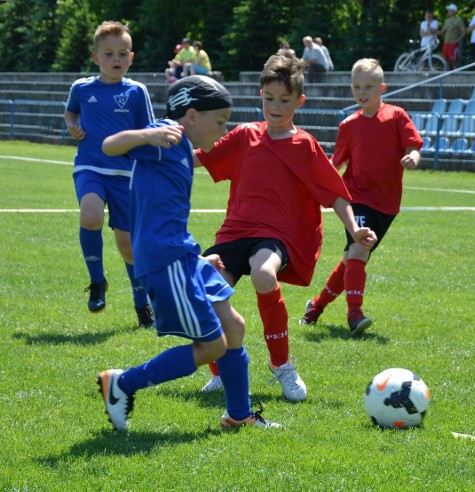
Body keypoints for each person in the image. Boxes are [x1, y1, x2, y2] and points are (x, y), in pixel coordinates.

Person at [97, 75, 280, 430]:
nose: (223, 131)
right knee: (212, 346)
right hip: (166, 262)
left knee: (235, 326)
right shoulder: (167, 134)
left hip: (183, 257)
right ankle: (122, 384)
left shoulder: (180, 148)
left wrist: (198, 261)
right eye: (221, 122)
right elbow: (109, 145)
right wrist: (146, 135)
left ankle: (238, 415)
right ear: (192, 116)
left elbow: (163, 213)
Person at [193, 54, 377, 397]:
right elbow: (198, 160)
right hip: (234, 232)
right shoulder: (245, 135)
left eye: (284, 100)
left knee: (263, 274)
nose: (275, 107)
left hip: (275, 236)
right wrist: (155, 155)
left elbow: (336, 194)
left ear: (299, 101)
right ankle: (219, 371)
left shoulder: (304, 145)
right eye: (269, 98)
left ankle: (282, 364)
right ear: (260, 95)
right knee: (205, 286)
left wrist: (355, 230)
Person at [300, 58, 422, 335]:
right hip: (355, 197)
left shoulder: (397, 116)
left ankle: (316, 306)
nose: (362, 92)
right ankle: (354, 313)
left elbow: (413, 145)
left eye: (368, 86)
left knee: (353, 259)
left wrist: (412, 157)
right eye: (356, 86)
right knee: (359, 248)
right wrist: (315, 182)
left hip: (387, 204)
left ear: (382, 88)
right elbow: (337, 163)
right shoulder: (349, 125)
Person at [63, 20, 156, 328]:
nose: (116, 59)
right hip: (90, 166)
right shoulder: (82, 87)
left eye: (122, 53)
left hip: (127, 175)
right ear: (95, 57)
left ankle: (141, 302)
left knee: (128, 245)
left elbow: (148, 132)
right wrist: (72, 125)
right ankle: (97, 282)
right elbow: (71, 110)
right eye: (109, 54)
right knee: (90, 215)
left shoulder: (136, 92)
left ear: (131, 57)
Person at [438, 4, 465, 70]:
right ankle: (448, 77)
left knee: (453, 61)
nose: (448, 11)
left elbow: (464, 32)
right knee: (446, 61)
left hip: (453, 44)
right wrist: (433, 32)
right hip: (446, 43)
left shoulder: (458, 20)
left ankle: (456, 76)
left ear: (454, 11)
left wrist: (457, 40)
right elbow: (442, 31)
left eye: (450, 10)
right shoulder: (447, 21)